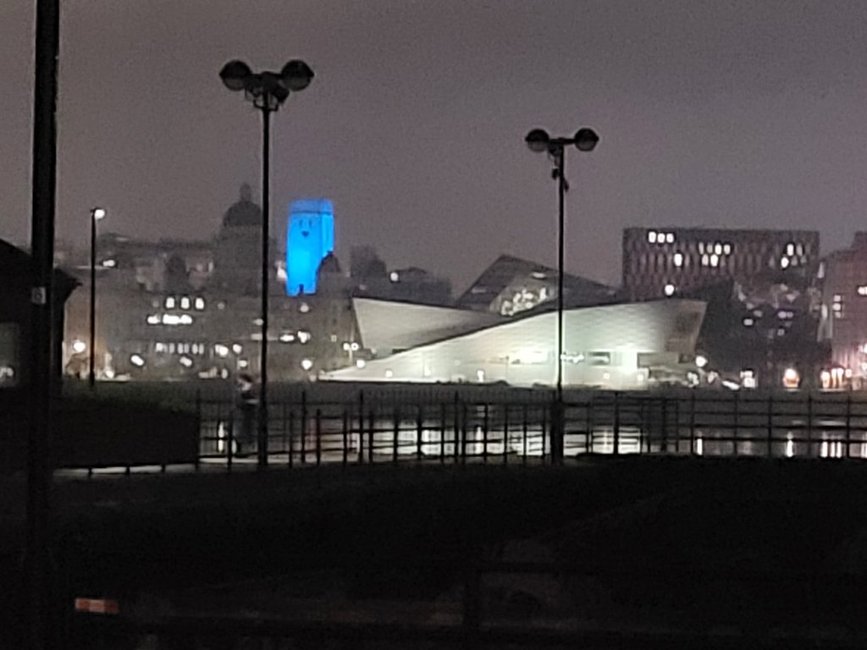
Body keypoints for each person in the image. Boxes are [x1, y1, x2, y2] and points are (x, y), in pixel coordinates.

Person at [234, 373, 258, 457]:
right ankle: (242, 451)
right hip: (244, 415)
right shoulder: (242, 391)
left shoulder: (242, 391)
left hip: (245, 415)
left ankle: (242, 451)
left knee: (243, 433)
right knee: (243, 433)